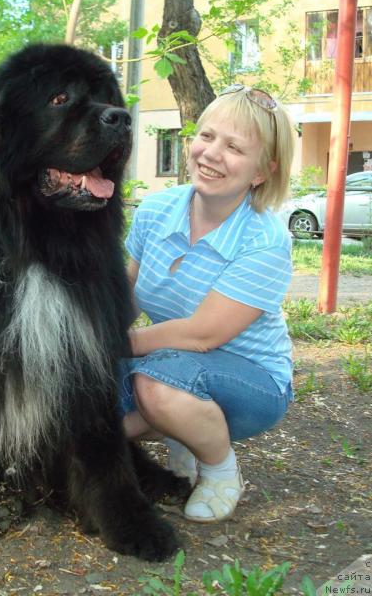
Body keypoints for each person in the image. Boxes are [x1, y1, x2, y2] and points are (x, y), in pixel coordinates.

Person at [120, 84, 297, 523]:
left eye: (234, 147)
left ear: (262, 172)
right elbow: (124, 292)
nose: (211, 154)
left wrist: (114, 343)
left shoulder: (265, 240)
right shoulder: (156, 210)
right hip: (164, 360)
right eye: (206, 136)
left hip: (250, 381)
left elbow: (203, 335)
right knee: (81, 408)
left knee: (152, 390)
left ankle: (220, 471)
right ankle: (183, 434)